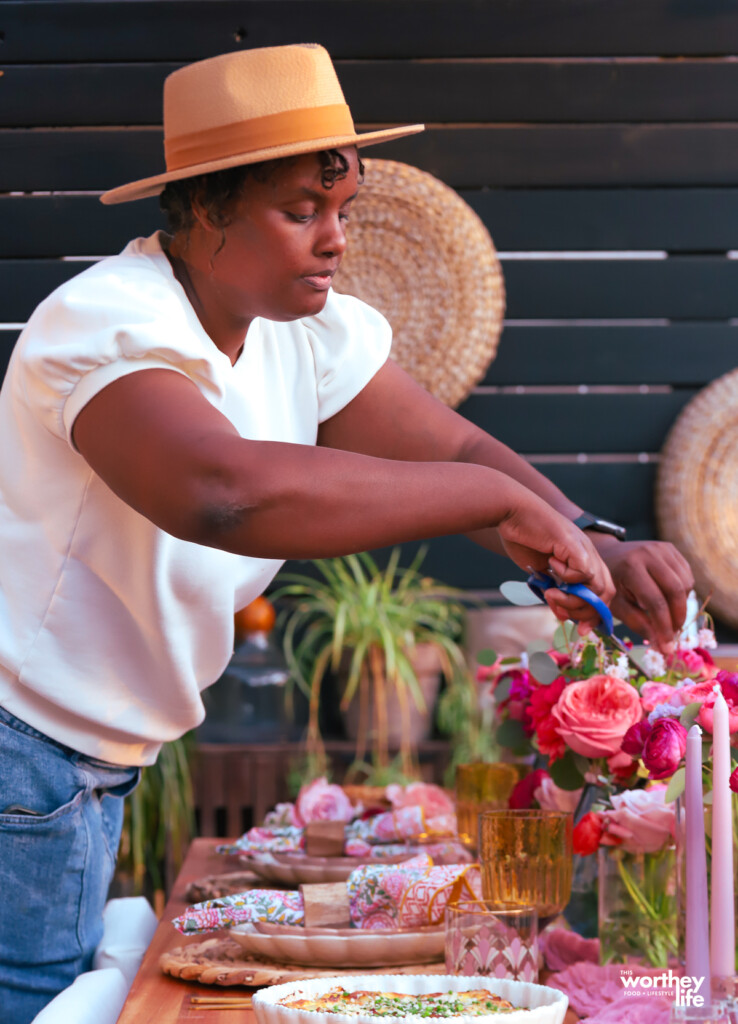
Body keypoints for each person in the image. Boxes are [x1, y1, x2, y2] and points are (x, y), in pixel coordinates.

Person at [0, 43, 692, 1020]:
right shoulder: (104, 326)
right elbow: (223, 491)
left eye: (343, 212)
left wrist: (589, 535)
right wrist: (492, 507)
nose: (335, 240)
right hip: (23, 750)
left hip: (80, 766)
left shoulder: (297, 331)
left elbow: (444, 438)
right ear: (205, 212)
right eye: (300, 211)